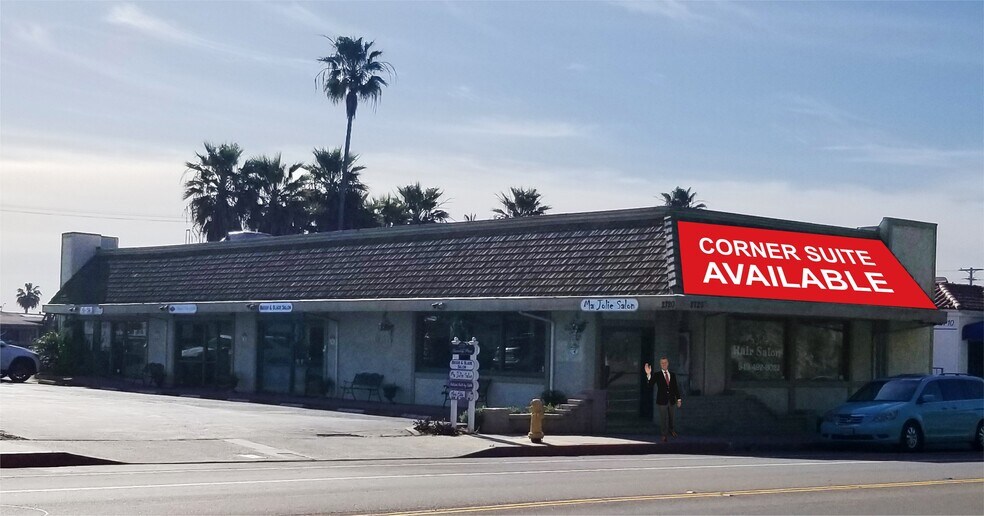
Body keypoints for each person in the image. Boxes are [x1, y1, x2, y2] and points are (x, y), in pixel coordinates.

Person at [645, 357, 682, 442]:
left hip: (671, 399)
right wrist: (648, 374)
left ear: (668, 363)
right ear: (660, 364)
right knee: (663, 418)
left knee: (671, 417)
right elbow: (650, 385)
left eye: (665, 363)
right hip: (662, 400)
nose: (664, 364)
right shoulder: (657, 375)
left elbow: (675, 387)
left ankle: (671, 430)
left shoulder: (672, 375)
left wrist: (679, 399)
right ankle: (664, 435)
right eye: (662, 363)